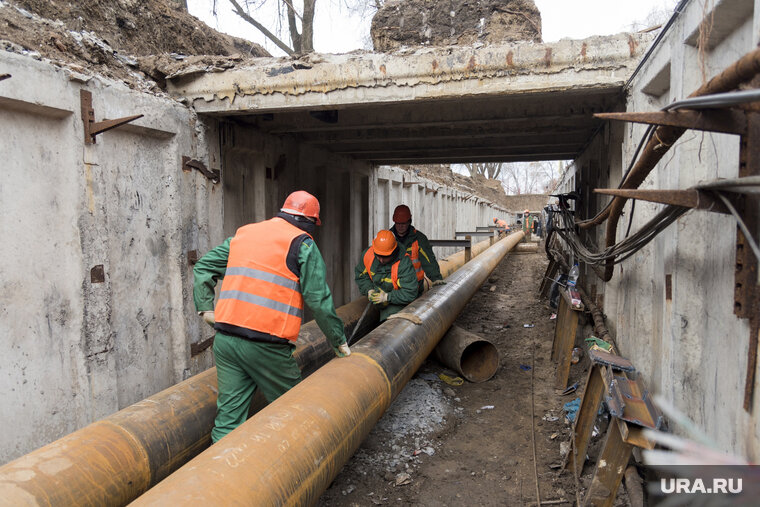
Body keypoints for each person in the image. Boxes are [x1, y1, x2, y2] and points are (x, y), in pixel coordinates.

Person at [193, 190, 351, 443]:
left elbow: (203, 266)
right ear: (311, 222)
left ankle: (222, 477)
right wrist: (338, 341)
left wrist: (205, 308)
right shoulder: (303, 244)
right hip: (266, 345)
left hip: (225, 341)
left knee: (228, 421)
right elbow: (318, 300)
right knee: (293, 412)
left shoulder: (244, 234)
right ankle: (301, 474)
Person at [355, 230, 419, 321]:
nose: (381, 260)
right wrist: (369, 290)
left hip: (397, 301)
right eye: (378, 256)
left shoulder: (403, 263)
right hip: (378, 298)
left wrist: (387, 297)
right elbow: (361, 276)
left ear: (393, 251)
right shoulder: (368, 255)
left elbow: (410, 292)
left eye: (385, 257)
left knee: (390, 322)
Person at [390, 204, 444, 293]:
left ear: (409, 222)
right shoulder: (388, 238)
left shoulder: (419, 238)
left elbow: (429, 260)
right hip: (393, 288)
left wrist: (436, 278)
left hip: (415, 288)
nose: (400, 226)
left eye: (403, 223)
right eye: (398, 223)